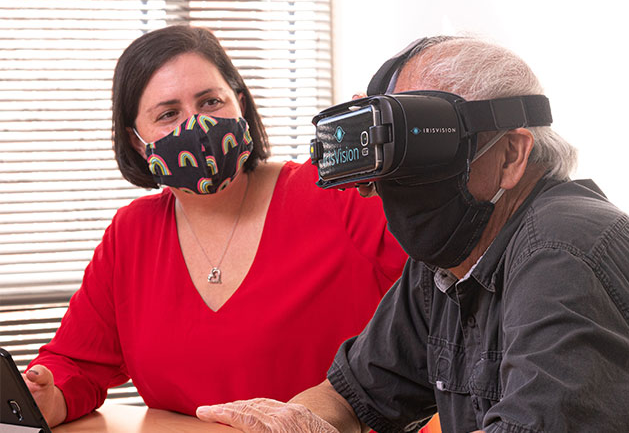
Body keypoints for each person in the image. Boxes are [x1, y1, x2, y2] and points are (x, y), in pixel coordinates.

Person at [195, 35, 629, 432]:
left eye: (424, 155)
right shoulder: (450, 263)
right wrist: (295, 423)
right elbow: (348, 395)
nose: (390, 190)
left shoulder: (561, 252)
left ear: (510, 156)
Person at [22, 25, 407, 427]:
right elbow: (76, 364)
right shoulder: (131, 233)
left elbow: (447, 293)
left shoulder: (338, 192)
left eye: (210, 101)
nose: (196, 126)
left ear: (240, 103)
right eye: (168, 114)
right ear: (137, 141)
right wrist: (50, 398)